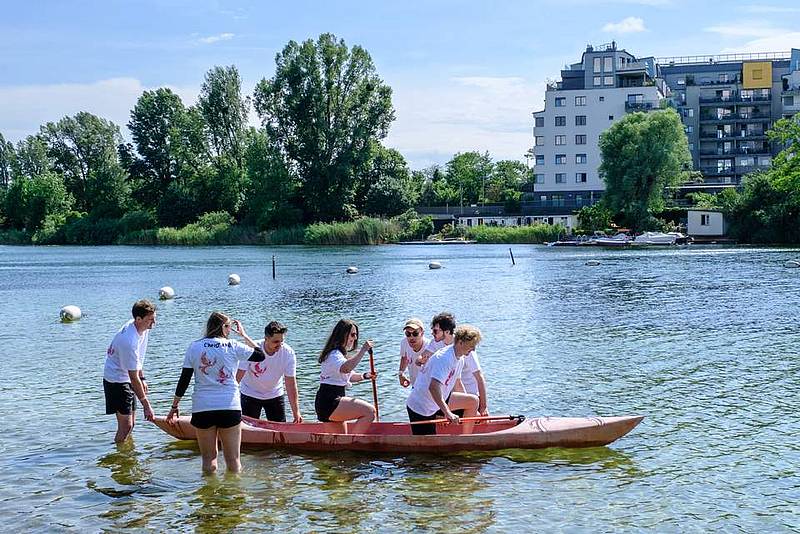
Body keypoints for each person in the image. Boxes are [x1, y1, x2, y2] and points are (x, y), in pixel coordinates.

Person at [167, 312, 265, 475]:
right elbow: (260, 355)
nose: (230, 331)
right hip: (229, 406)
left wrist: (174, 406)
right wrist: (244, 335)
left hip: (203, 407)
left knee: (209, 460)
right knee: (233, 461)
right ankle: (233, 497)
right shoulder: (233, 345)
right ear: (223, 327)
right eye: (229, 327)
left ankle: (209, 498)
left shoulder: (194, 346)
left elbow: (184, 380)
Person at [405, 325, 481, 436]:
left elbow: (457, 384)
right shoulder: (444, 358)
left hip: (437, 401)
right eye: (471, 345)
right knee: (429, 450)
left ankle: (466, 438)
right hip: (420, 407)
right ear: (460, 342)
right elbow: (433, 387)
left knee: (472, 401)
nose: (473, 349)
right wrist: (447, 413)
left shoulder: (460, 359)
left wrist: (472, 412)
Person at [103, 299, 157, 443]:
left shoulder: (142, 328)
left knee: (131, 424)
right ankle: (118, 459)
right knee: (126, 426)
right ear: (138, 319)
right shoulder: (129, 341)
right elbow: (133, 378)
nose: (154, 323)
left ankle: (128, 456)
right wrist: (147, 406)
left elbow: (137, 359)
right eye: (150, 320)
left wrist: (143, 377)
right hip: (116, 380)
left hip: (126, 376)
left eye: (154, 318)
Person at [314, 319, 377, 434]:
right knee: (370, 412)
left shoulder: (337, 355)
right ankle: (355, 444)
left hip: (325, 402)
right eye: (353, 334)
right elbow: (346, 368)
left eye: (356, 335)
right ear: (343, 335)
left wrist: (365, 376)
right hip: (330, 401)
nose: (355, 338)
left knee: (341, 443)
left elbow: (349, 375)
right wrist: (363, 350)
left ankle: (350, 447)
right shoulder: (334, 355)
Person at [235, 320, 302, 423]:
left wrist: (296, 412)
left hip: (274, 394)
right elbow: (237, 378)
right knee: (248, 429)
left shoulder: (288, 353)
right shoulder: (251, 349)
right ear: (266, 339)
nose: (279, 345)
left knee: (280, 431)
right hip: (250, 393)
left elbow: (290, 384)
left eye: (281, 341)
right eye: (276, 342)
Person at [397, 318, 429, 388]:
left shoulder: (430, 347)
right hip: (414, 386)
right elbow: (404, 357)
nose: (411, 337)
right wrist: (401, 373)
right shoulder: (404, 342)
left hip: (428, 388)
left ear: (422, 333)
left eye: (415, 334)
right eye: (408, 334)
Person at [461, 350, 489, 416]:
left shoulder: (468, 352)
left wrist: (483, 407)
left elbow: (479, 377)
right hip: (457, 396)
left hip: (472, 396)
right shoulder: (436, 345)